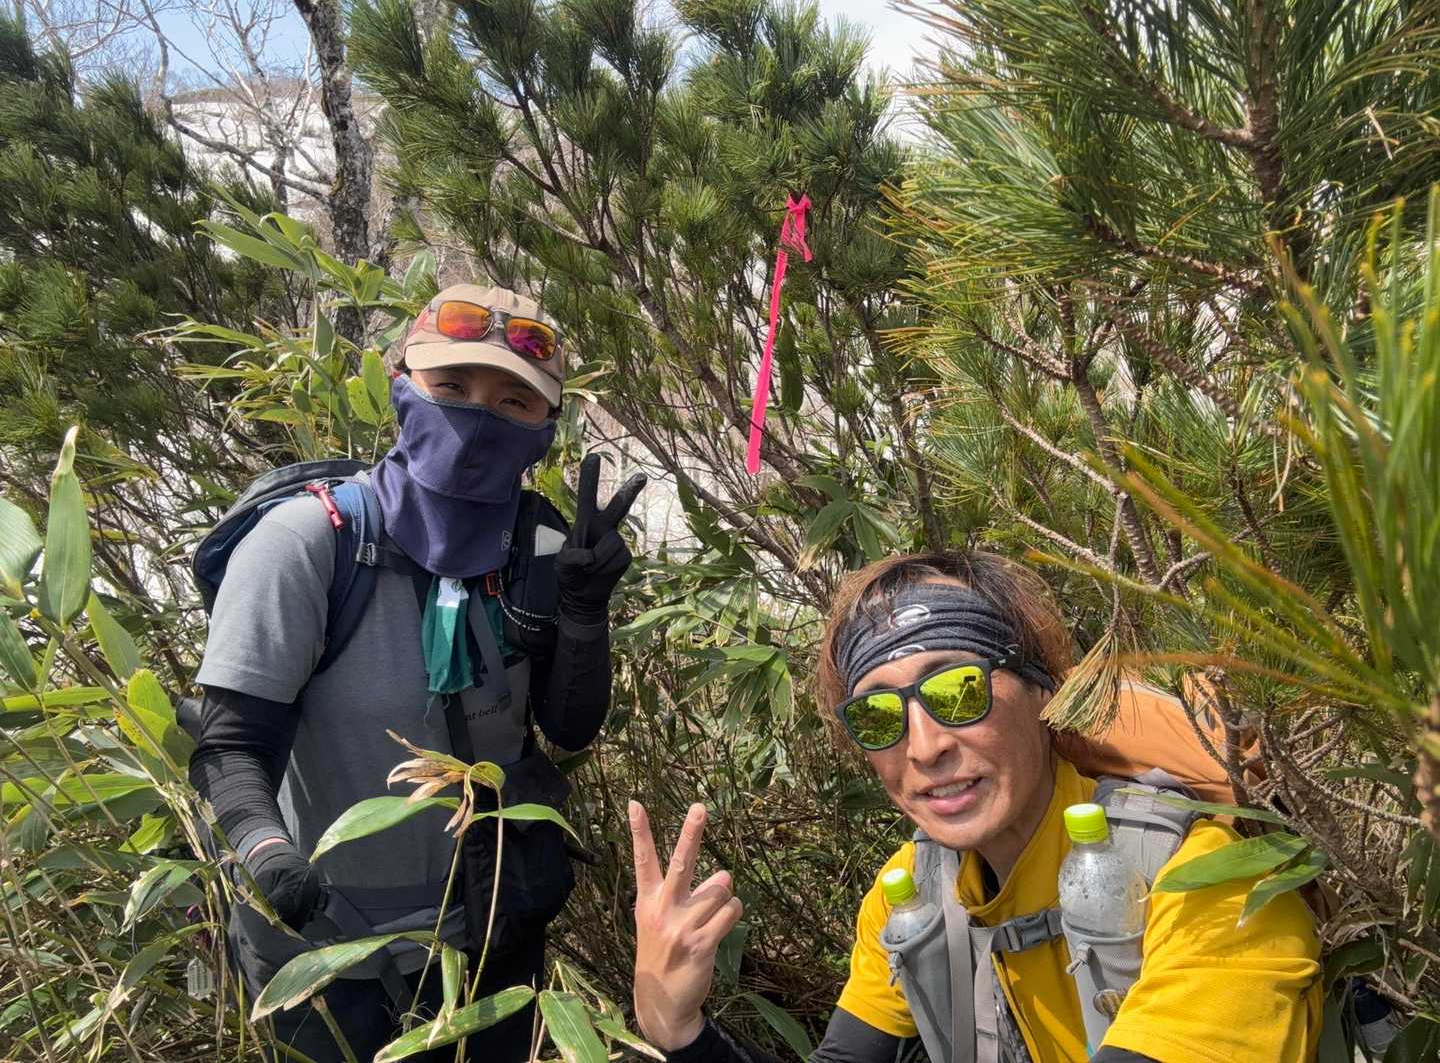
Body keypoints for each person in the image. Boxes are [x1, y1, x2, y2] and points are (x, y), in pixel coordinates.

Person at [628, 551, 1322, 1063]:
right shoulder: (912, 896)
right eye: (878, 716)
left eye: (959, 691)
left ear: (1042, 691)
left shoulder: (1207, 879)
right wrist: (682, 1033)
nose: (925, 746)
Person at [189, 284, 644, 1062]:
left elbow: (569, 727)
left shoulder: (540, 549)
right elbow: (231, 744)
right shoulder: (308, 544)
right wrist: (268, 854)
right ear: (402, 384)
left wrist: (584, 609)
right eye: (452, 387)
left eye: (513, 401)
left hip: (489, 941)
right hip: (324, 954)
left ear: (547, 427)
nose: (478, 418)